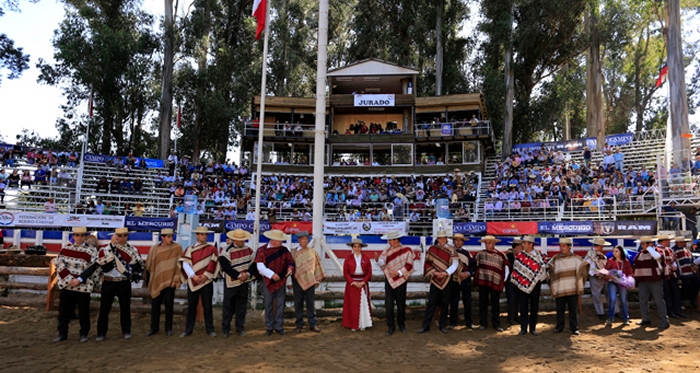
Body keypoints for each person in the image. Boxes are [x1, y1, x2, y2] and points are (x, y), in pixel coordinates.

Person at [86, 227, 144, 341]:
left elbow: (138, 265)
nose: (122, 238)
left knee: (125, 308)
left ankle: (126, 331)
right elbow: (102, 263)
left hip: (123, 282)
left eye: (125, 235)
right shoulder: (106, 249)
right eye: (120, 236)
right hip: (109, 281)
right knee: (104, 309)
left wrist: (128, 270)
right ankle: (101, 333)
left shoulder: (133, 250)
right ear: (115, 237)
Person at [53, 227, 99, 343]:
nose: (79, 238)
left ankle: (84, 334)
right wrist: (69, 279)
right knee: (63, 311)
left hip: (83, 286)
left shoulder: (91, 250)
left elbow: (93, 267)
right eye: (77, 235)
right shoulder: (65, 248)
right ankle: (62, 333)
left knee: (84, 311)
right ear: (73, 236)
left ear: (85, 236)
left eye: (82, 235)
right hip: (67, 285)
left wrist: (79, 279)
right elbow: (59, 264)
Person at [179, 226, 219, 337]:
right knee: (191, 306)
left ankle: (210, 329)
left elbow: (214, 262)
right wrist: (193, 276)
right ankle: (188, 329)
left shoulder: (211, 249)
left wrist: (206, 275)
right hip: (193, 281)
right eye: (202, 234)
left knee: (207, 306)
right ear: (197, 235)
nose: (204, 236)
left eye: (205, 234)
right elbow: (185, 263)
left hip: (206, 281)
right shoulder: (189, 249)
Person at [255, 229, 295, 336]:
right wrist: (272, 275)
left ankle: (279, 325)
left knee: (280, 304)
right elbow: (260, 267)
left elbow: (290, 261)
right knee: (268, 304)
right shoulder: (262, 250)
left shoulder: (284, 250)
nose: (281, 242)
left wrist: (290, 268)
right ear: (273, 240)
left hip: (281, 280)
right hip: (268, 280)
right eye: (279, 240)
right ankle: (269, 326)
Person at [418, 230, 458, 334]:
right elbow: (428, 263)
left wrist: (446, 273)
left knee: (445, 303)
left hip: (446, 279)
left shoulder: (451, 249)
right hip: (435, 279)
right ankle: (425, 325)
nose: (442, 240)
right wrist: (434, 273)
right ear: (437, 239)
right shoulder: (432, 249)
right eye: (440, 238)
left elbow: (455, 264)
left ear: (446, 238)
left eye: (444, 238)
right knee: (432, 303)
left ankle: (443, 325)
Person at [375, 230, 415, 336]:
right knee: (389, 304)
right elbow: (382, 262)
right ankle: (391, 326)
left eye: (393, 240)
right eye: (390, 240)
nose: (392, 242)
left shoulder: (406, 250)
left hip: (401, 280)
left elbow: (409, 264)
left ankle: (401, 325)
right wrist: (377, 260)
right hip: (389, 280)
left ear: (397, 240)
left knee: (401, 304)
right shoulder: (386, 251)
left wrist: (398, 272)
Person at [144, 228, 182, 337]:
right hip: (157, 280)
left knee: (169, 305)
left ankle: (168, 328)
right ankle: (154, 327)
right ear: (163, 237)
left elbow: (179, 264)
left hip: (170, 282)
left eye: (172, 236)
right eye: (168, 236)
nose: (171, 238)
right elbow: (150, 265)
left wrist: (176, 278)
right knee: (155, 305)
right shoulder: (154, 249)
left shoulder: (177, 248)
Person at [219, 229, 255, 337]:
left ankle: (240, 327)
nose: (242, 242)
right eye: (240, 240)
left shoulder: (248, 250)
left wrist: (247, 274)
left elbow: (254, 263)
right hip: (231, 283)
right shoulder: (226, 251)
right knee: (228, 306)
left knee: (241, 306)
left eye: (243, 240)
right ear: (235, 239)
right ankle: (225, 328)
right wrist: (240, 275)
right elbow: (225, 267)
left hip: (243, 282)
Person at [548, 237, 588, 335]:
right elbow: (549, 270)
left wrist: (579, 281)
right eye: (561, 246)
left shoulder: (576, 258)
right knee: (559, 309)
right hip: (560, 287)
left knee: (572, 309)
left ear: (570, 247)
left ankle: (574, 328)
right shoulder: (555, 259)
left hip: (572, 287)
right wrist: (552, 282)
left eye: (564, 246)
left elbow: (584, 267)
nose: (562, 248)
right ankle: (559, 326)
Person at [510, 235, 548, 336]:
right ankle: (523, 328)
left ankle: (533, 328)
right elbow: (517, 269)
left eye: (525, 243)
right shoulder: (520, 256)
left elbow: (544, 268)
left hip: (535, 284)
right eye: (523, 243)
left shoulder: (539, 256)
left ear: (531, 244)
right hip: (522, 284)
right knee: (523, 306)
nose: (523, 245)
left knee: (534, 306)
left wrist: (538, 277)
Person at [290, 231, 324, 333]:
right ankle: (299, 324)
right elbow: (290, 267)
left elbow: (317, 266)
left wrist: (317, 279)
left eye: (306, 239)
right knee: (298, 302)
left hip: (310, 280)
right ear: (299, 240)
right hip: (297, 280)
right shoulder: (293, 253)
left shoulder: (312, 252)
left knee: (310, 302)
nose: (305, 241)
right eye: (302, 239)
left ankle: (312, 324)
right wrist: (289, 282)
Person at [474, 235, 510, 332]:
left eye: (489, 243)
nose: (487, 245)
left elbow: (506, 268)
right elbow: (474, 265)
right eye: (486, 243)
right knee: (483, 302)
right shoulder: (480, 254)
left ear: (494, 243)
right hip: (483, 281)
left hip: (495, 282)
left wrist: (503, 280)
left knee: (495, 303)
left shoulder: (501, 255)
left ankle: (496, 323)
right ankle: (483, 323)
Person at [633, 236, 670, 329]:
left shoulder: (657, 251)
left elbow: (658, 256)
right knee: (643, 300)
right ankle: (645, 318)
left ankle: (664, 321)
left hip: (655, 280)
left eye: (643, 244)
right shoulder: (641, 253)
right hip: (643, 280)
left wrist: (649, 247)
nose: (641, 246)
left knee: (658, 300)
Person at [342, 238, 372, 332]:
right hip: (352, 284)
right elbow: (346, 272)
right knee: (352, 305)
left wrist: (363, 282)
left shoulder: (366, 258)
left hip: (362, 283)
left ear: (361, 248)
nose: (357, 248)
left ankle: (363, 323)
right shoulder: (348, 258)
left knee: (362, 304)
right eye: (355, 246)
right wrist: (353, 282)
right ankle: (353, 325)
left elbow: (369, 272)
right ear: (352, 248)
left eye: (358, 246)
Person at [448, 233, 475, 330]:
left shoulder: (467, 253)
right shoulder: (450, 252)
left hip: (465, 280)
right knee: (454, 301)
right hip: (454, 280)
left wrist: (467, 273)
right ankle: (452, 322)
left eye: (460, 240)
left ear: (463, 242)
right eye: (456, 240)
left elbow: (472, 265)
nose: (458, 242)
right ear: (454, 241)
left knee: (467, 301)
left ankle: (469, 322)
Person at [656, 234, 684, 319]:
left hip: (671, 273)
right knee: (666, 292)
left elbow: (673, 260)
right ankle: (670, 311)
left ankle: (677, 310)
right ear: (664, 241)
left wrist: (674, 266)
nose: (669, 242)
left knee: (675, 291)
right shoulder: (657, 249)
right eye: (668, 240)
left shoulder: (669, 250)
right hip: (663, 273)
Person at [604, 245, 633, 326]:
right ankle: (610, 318)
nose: (614, 253)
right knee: (612, 299)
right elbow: (606, 271)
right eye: (613, 251)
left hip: (623, 282)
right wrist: (608, 274)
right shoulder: (610, 261)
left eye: (617, 251)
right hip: (612, 281)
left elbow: (630, 272)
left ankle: (625, 318)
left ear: (621, 252)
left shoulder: (626, 262)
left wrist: (630, 281)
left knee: (623, 300)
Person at [585, 237, 611, 320]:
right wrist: (595, 272)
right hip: (596, 276)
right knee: (599, 295)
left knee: (600, 295)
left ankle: (602, 312)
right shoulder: (591, 255)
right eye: (602, 245)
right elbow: (587, 266)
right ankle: (602, 312)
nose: (603, 247)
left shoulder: (593, 254)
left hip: (601, 275)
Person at [670, 236, 696, 314]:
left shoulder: (687, 250)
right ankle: (683, 300)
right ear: (677, 243)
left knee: (696, 282)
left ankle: (691, 298)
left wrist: (693, 266)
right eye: (682, 242)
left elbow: (692, 260)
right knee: (687, 283)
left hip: (690, 272)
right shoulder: (673, 251)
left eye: (684, 242)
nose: (684, 243)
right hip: (681, 273)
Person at [505, 238, 522, 326]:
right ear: (517, 247)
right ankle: (511, 317)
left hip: (517, 279)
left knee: (517, 298)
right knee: (511, 298)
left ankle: (515, 315)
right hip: (510, 279)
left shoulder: (517, 255)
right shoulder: (510, 255)